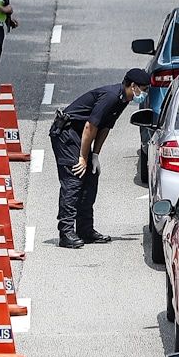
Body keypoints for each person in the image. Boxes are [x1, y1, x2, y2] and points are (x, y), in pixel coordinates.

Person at [50, 69, 151, 248]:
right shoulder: (111, 97)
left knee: (91, 177)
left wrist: (95, 155)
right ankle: (66, 233)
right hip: (67, 133)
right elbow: (90, 127)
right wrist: (83, 157)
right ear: (133, 86)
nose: (144, 93)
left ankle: (85, 230)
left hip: (80, 136)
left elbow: (105, 127)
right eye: (143, 89)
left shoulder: (123, 100)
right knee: (74, 179)